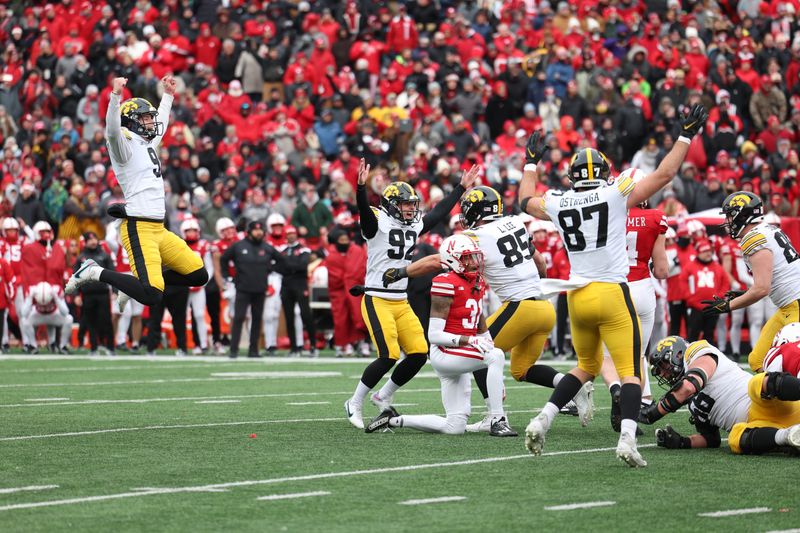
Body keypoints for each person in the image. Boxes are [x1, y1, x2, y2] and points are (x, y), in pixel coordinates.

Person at [518, 103, 708, 467]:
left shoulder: (559, 199)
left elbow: (526, 201)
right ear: (606, 172)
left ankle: (544, 417)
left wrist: (530, 162)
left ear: (572, 175)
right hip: (612, 291)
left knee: (585, 366)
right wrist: (685, 135)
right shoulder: (616, 192)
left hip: (577, 295)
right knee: (630, 372)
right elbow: (666, 173)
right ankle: (626, 440)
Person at [389, 186, 593, 432]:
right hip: (544, 308)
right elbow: (539, 262)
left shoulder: (473, 236)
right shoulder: (515, 223)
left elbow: (435, 261)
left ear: (474, 211)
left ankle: (494, 417)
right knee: (521, 370)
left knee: (480, 352)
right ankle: (573, 387)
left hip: (519, 308)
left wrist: (401, 272)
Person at [344, 159, 478, 430]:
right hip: (377, 298)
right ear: (393, 204)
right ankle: (354, 401)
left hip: (401, 300)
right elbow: (364, 214)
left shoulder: (413, 226)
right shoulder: (377, 222)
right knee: (389, 355)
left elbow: (438, 213)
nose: (410, 209)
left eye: (412, 204)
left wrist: (460, 188)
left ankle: (384, 395)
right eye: (405, 204)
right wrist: (360, 187)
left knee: (418, 353)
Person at [64, 76, 209, 310]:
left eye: (150, 118)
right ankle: (93, 271)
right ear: (130, 122)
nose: (151, 123)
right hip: (138, 226)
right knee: (152, 295)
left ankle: (132, 285)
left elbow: (161, 121)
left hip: (158, 228)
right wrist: (115, 97)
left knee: (199, 275)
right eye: (145, 118)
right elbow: (112, 130)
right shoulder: (124, 145)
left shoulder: (146, 142)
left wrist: (168, 95)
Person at [365, 234, 517, 437]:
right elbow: (434, 335)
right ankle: (498, 420)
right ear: (453, 259)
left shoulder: (476, 281)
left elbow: (479, 321)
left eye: (474, 257)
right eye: (467, 258)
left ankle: (392, 419)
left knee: (455, 427)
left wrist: (495, 374)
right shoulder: (445, 282)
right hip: (446, 353)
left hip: (461, 353)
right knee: (496, 355)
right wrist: (470, 340)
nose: (474, 262)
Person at [640, 336, 800, 455]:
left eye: (663, 366)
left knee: (756, 384)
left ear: (678, 354)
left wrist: (652, 413)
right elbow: (711, 439)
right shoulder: (692, 404)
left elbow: (689, 386)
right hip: (761, 426)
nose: (663, 374)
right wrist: (682, 442)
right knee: (735, 439)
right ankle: (788, 437)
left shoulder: (696, 351)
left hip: (769, 403)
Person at [599, 168, 669, 432]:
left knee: (607, 355)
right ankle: (639, 403)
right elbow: (662, 271)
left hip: (614, 286)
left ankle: (617, 389)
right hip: (642, 288)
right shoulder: (656, 218)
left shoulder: (608, 214)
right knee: (638, 354)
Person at [703, 191, 800, 372]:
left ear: (743, 214)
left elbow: (762, 289)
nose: (728, 221)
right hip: (788, 307)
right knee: (757, 360)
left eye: (731, 216)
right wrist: (745, 293)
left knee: (790, 365)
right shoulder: (769, 229)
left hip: (795, 307)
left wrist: (728, 306)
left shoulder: (753, 238)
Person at [219, 220, 285, 358]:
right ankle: (233, 349)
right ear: (249, 232)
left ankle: (253, 350)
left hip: (260, 289)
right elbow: (223, 258)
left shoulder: (267, 247)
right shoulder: (238, 246)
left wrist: (270, 269)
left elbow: (281, 260)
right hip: (243, 288)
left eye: (260, 230)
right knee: (239, 318)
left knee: (256, 319)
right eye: (255, 230)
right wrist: (227, 277)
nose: (258, 232)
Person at [278, 225, 317, 357]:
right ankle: (294, 347)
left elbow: (302, 265)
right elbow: (278, 267)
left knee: (306, 315)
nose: (291, 235)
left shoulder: (303, 249)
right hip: (286, 286)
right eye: (288, 233)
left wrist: (287, 265)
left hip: (300, 285)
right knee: (289, 317)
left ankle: (312, 345)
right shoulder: (282, 249)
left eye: (293, 233)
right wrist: (291, 266)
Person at [74, 231, 115, 355]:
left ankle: (110, 348)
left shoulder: (104, 256)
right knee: (90, 322)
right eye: (90, 240)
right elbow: (76, 277)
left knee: (106, 321)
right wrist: (76, 295)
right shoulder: (81, 258)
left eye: (94, 239)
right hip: (87, 295)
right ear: (85, 242)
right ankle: (93, 348)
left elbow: (113, 274)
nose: (93, 241)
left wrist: (115, 290)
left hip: (102, 293)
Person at [181, 218, 213, 354]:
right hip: (183, 285)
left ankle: (203, 344)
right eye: (188, 231)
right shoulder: (179, 245)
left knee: (199, 315)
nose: (191, 233)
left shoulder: (203, 245)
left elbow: (210, 268)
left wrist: (202, 282)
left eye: (194, 230)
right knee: (182, 316)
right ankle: (186, 345)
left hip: (199, 287)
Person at [210, 217, 239, 351]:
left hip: (243, 280)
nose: (229, 231)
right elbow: (217, 269)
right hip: (229, 282)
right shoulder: (218, 246)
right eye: (225, 230)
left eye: (230, 228)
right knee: (230, 314)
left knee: (244, 314)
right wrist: (222, 285)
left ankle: (247, 342)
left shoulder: (241, 241)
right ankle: (227, 340)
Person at [21, 282, 73, 354]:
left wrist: (56, 298)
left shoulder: (56, 290)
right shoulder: (32, 291)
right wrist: (30, 298)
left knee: (69, 319)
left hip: (53, 314)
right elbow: (24, 314)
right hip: (38, 314)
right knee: (24, 320)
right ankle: (33, 346)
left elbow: (65, 312)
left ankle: (63, 346)